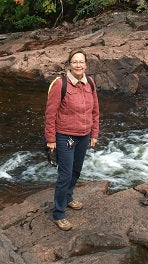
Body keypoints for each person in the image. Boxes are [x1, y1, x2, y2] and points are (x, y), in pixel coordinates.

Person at [45, 48, 100, 231]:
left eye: (81, 62)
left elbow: (95, 111)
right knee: (65, 174)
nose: (78, 65)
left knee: (76, 171)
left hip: (84, 136)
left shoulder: (90, 83)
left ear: (86, 65)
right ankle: (59, 213)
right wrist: (50, 139)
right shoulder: (60, 85)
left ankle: (68, 197)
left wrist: (94, 133)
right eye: (75, 62)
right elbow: (50, 114)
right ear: (69, 64)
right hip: (64, 136)